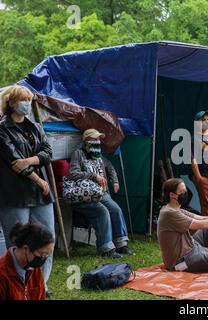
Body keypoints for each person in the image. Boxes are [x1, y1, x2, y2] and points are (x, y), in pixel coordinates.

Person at [0, 85, 55, 295]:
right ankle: (17, 284)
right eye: (24, 100)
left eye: (30, 100)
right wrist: (39, 180)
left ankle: (42, 284)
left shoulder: (35, 127)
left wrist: (29, 161)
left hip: (40, 194)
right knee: (18, 243)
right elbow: (14, 163)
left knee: (47, 239)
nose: (28, 104)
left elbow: (47, 151)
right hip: (15, 194)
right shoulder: (2, 129)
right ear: (12, 103)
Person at [69, 129, 132, 258]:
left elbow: (110, 167)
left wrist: (114, 181)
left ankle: (121, 244)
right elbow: (73, 174)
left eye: (98, 139)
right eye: (94, 139)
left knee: (116, 209)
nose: (98, 142)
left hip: (102, 193)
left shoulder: (99, 155)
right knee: (102, 211)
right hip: (86, 194)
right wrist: (93, 176)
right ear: (86, 141)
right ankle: (106, 249)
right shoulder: (78, 154)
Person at [0, 222, 54, 300]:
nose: (43, 258)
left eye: (46, 255)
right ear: (26, 248)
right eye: (42, 254)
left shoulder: (34, 268)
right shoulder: (2, 274)